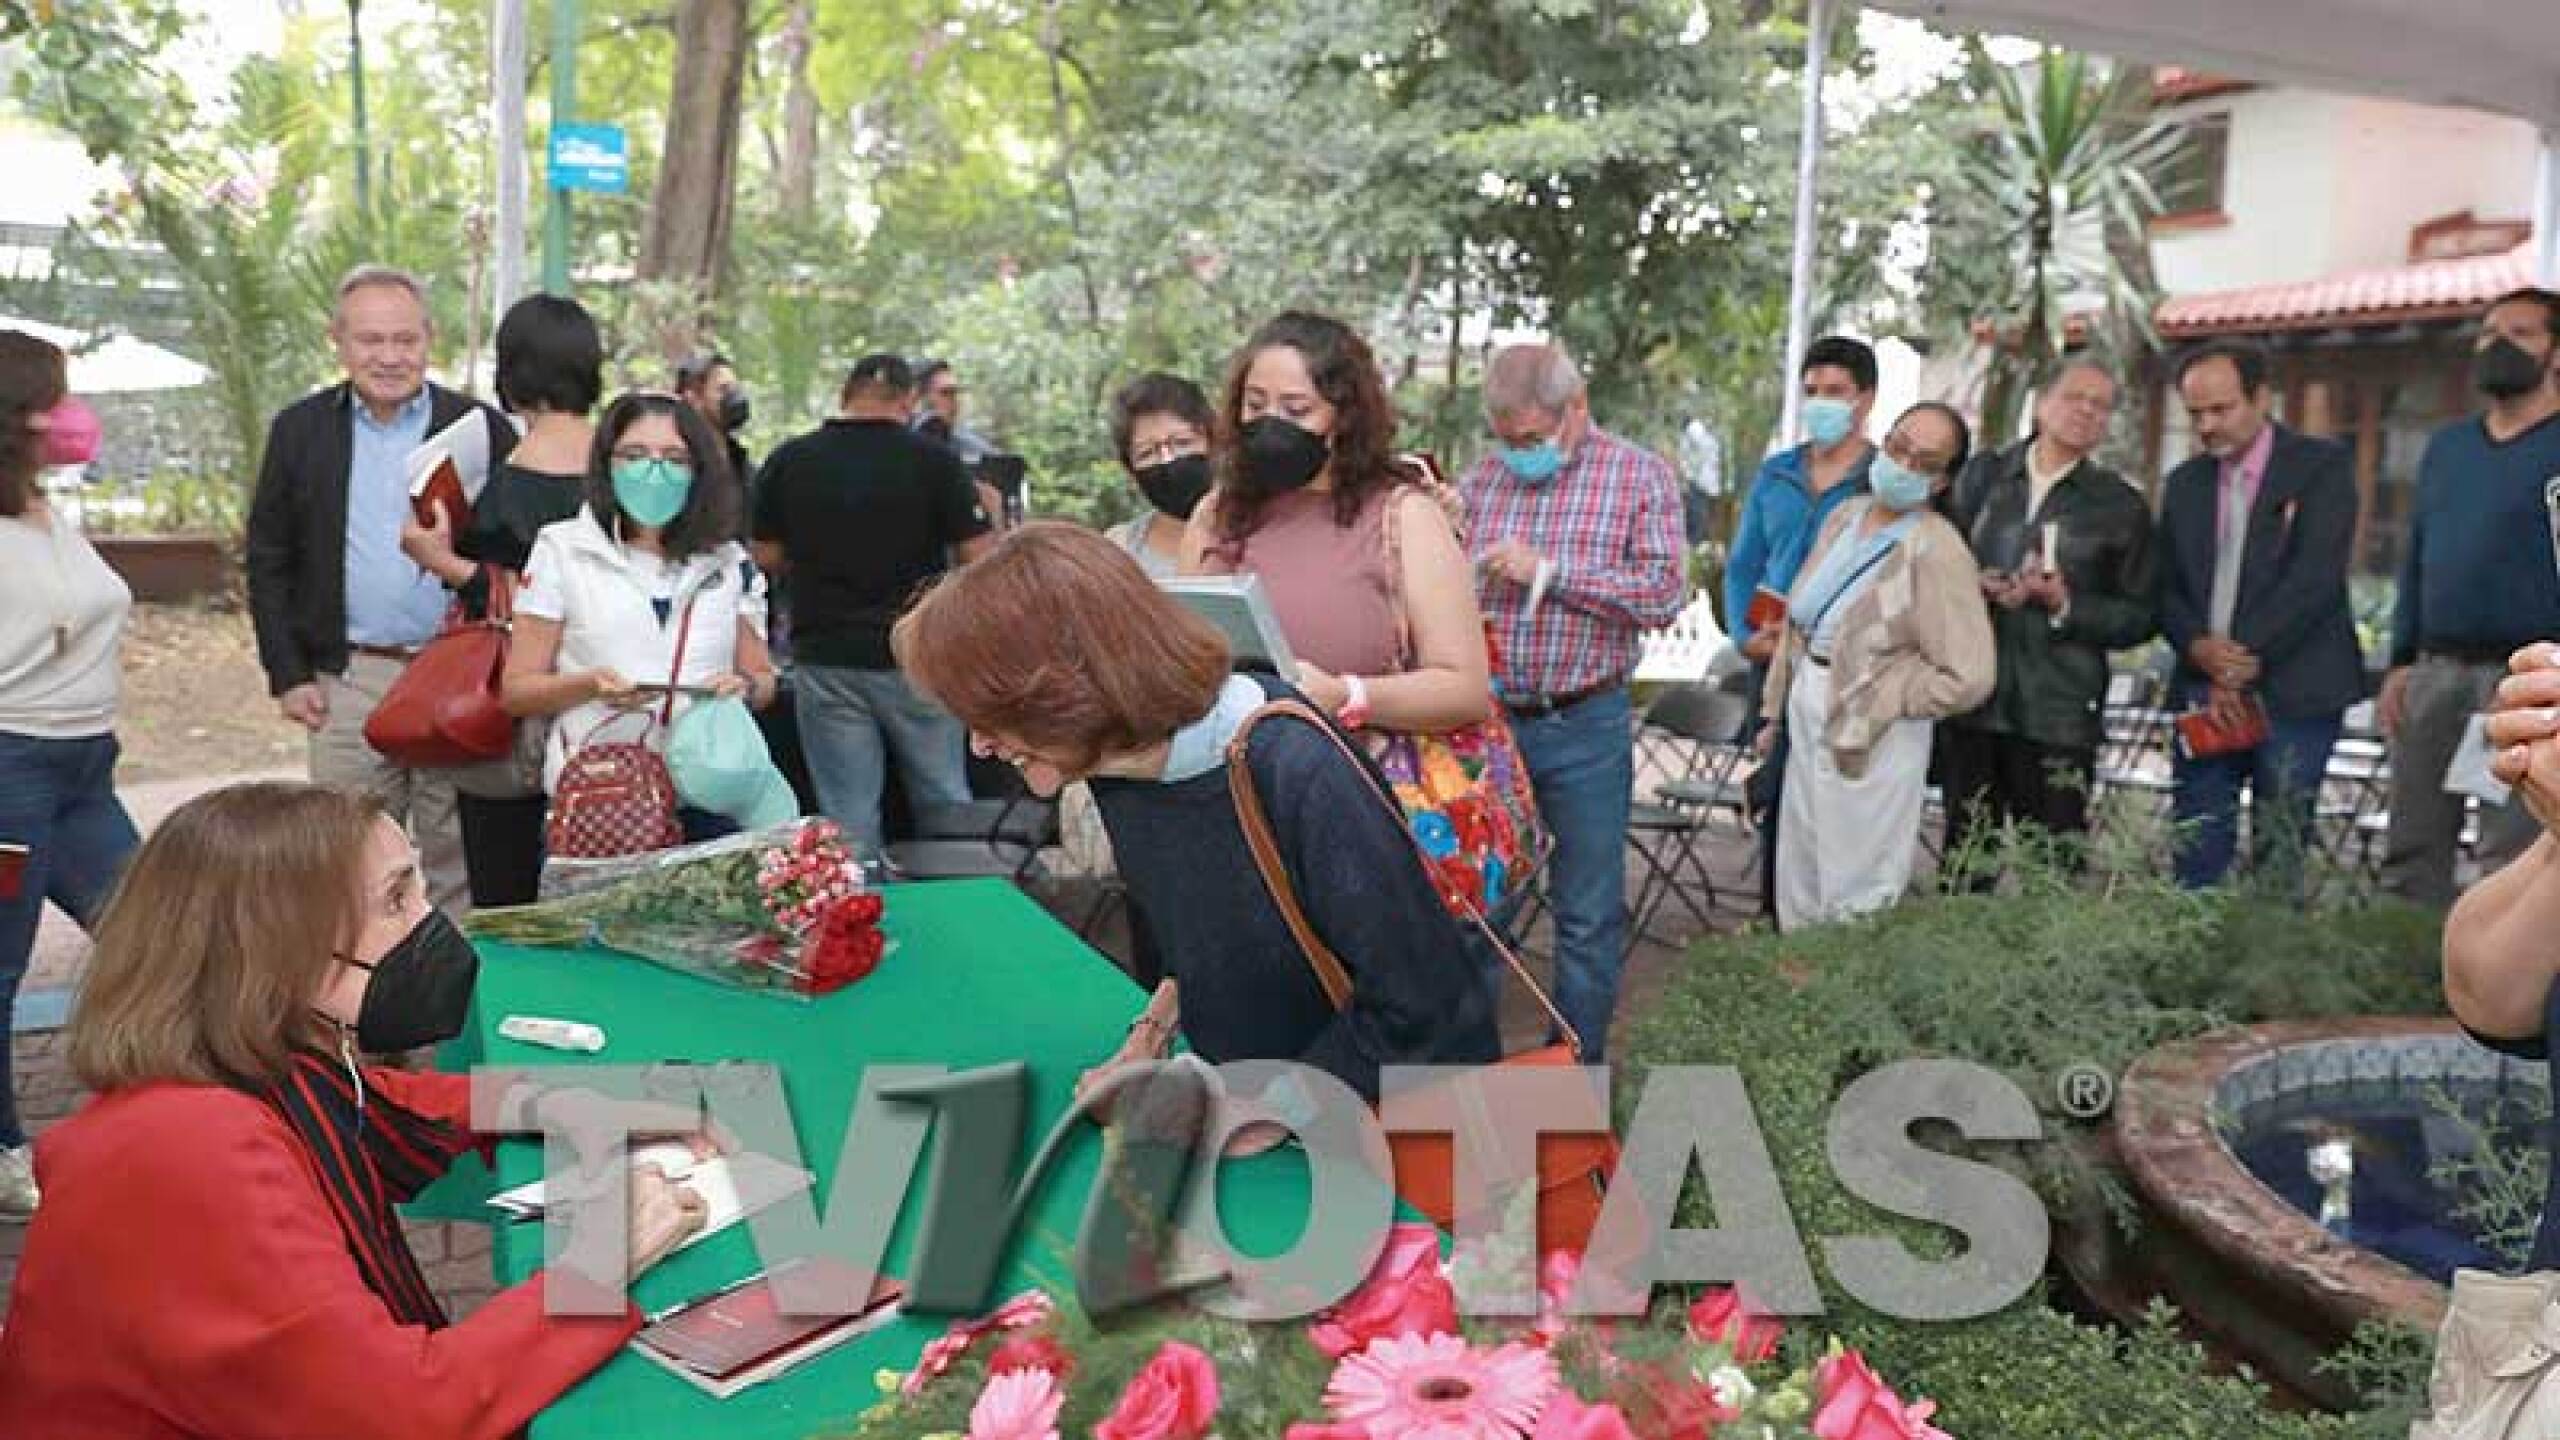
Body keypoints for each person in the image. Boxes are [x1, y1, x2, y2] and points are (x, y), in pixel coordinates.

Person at [0, 782, 711, 1437]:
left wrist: (579, 1104)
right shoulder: (195, 1146)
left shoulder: (254, 1064)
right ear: (278, 951)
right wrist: (597, 1265)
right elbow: (402, 1415)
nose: (430, 924)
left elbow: (386, 1107)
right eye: (396, 900)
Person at [893, 524, 1501, 1107]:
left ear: (1070, 696)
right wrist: (1148, 1038)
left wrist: (1269, 1111)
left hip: (1393, 1126)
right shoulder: (1115, 764)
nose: (978, 746)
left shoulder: (1294, 766)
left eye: (990, 717)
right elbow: (1201, 940)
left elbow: (1425, 1003)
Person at [246, 264, 511, 913]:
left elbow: (517, 554)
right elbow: (268, 556)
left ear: (430, 339)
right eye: (371, 341)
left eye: (405, 340)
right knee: (346, 857)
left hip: (457, 677)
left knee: (457, 862)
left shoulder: (479, 428)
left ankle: (456, 1004)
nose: (390, 357)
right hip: (349, 677)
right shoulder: (301, 429)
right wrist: (289, 672)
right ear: (338, 341)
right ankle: (356, 1004)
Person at [1462, 342, 1684, 1061]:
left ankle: (1575, 1077)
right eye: (1506, 439)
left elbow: (1660, 597)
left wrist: (1550, 574)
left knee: (1586, 917)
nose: (1516, 453)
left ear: (1575, 409)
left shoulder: (1638, 476)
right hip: (1490, 724)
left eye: (1531, 438)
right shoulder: (1481, 481)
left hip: (1586, 723)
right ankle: (1467, 1077)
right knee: (1482, 908)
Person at [1183, 311, 1492, 738]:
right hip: (1239, 783)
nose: (1271, 422)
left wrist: (1350, 695)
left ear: (1343, 419)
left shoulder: (1404, 517)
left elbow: (1466, 690)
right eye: (1254, 405)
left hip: (1364, 784)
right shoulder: (1215, 513)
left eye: (1296, 409)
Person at [503, 392, 777, 851]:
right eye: (634, 455)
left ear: (698, 471)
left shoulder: (730, 564)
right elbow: (517, 691)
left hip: (710, 798)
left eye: (674, 458)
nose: (654, 471)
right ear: (607, 463)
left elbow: (764, 678)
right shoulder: (562, 550)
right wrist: (590, 685)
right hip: (602, 802)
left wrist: (743, 688)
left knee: (713, 924)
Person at [400, 294, 602, 907]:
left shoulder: (510, 482)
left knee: (508, 898)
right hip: (613, 705)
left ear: (511, 372)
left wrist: (444, 562)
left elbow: (520, 599)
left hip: (519, 714)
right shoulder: (622, 470)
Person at [1761, 403, 1993, 931]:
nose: (1904, 463)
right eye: (1898, 446)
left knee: (1855, 883)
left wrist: (1893, 694)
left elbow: (1971, 675)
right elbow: (1802, 618)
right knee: (1800, 868)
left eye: (1924, 460)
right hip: (1810, 701)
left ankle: (1845, 1002)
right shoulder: (1847, 516)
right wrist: (1773, 712)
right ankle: (1796, 997)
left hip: (1874, 728)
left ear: (1941, 481)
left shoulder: (1937, 548)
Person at [0, 330, 138, 1221]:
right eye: (57, 399)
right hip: (12, 770)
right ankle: (6, 1148)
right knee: (0, 970)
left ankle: (157, 1114)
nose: (73, 416)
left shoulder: (46, 512)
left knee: (153, 928)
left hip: (89, 766)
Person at [753, 355, 992, 857]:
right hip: (919, 657)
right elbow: (979, 556)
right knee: (945, 800)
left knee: (849, 814)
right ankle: (962, 909)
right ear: (908, 401)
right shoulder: (935, 462)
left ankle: (860, 924)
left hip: (827, 655)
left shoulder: (791, 460)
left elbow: (766, 555)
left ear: (845, 396)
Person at [2157, 340, 2362, 893]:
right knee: (2196, 850)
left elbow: (2314, 578)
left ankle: (2272, 975)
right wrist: (2200, 650)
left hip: (2295, 692)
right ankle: (2192, 973)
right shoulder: (2183, 485)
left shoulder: (2321, 467)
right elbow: (2165, 587)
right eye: (2195, 413)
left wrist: (2239, 662)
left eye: (2220, 410)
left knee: (2281, 849)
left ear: (2261, 397)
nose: (2206, 426)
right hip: (2203, 694)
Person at [2378, 288, 2560, 907]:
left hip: (2524, 679)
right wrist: (2401, 661)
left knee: (2510, 853)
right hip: (2436, 671)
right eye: (2487, 333)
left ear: (2556, 352)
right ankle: (2405, 983)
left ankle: (2496, 997)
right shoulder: (2448, 448)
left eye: (2521, 332)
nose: (2498, 344)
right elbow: (2417, 554)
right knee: (2412, 843)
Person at [1940, 361, 2156, 867]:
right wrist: (1974, 585)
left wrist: (2066, 605)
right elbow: (1936, 561)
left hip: (2060, 711)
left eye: (2101, 405)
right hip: (1975, 697)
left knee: (2052, 864)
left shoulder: (2120, 506)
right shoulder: (1984, 476)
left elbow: (2141, 616)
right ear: (2041, 402)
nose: (2086, 410)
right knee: (1965, 858)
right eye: (2074, 396)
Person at [1725, 337, 1881, 916]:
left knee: (1833, 807)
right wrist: (1745, 635)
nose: (1821, 404)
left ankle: (1830, 929)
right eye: (1811, 392)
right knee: (1774, 793)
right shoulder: (1778, 473)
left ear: (1865, 399)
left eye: (1835, 393)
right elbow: (1743, 565)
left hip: (1844, 667)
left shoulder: (1881, 479)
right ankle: (1774, 921)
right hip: (1773, 660)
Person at [1105, 371, 1217, 579]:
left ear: (1213, 442)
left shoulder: (1260, 534)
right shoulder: (1119, 550)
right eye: (1147, 453)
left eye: (1182, 443)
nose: (1168, 460)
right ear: (1130, 471)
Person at [674, 350, 753, 498]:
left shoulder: (743, 468)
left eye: (736, 388)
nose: (735, 396)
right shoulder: (679, 468)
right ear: (693, 399)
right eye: (723, 389)